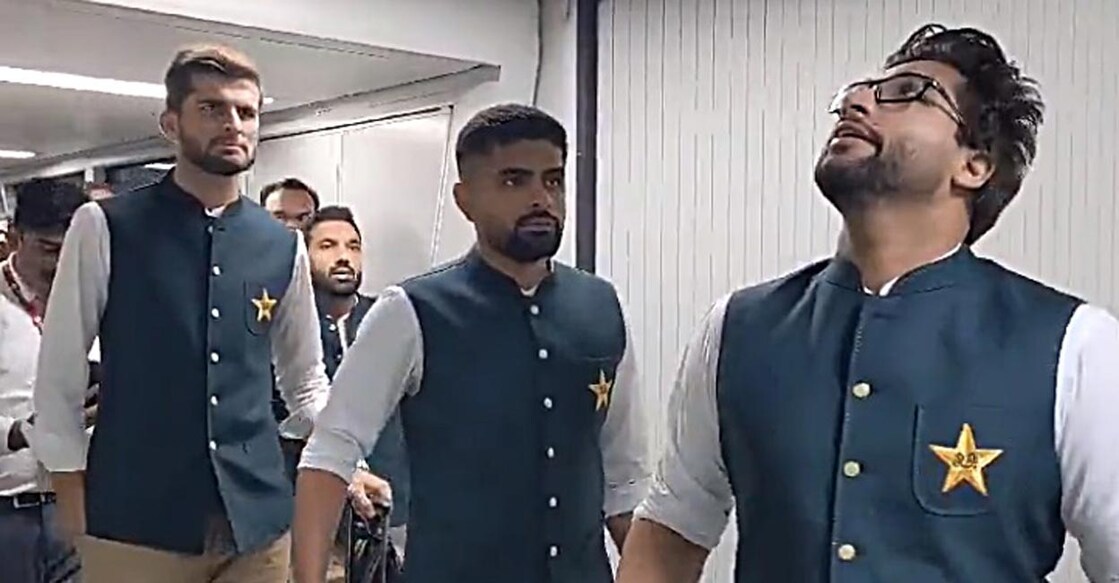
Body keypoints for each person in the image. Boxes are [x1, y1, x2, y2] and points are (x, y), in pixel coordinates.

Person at [616, 24, 1119, 583]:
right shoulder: (738, 328)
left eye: (908, 93)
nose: (855, 102)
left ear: (974, 165)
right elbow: (669, 535)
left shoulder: (1076, 346)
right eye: (858, 91)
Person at [292, 104, 651, 583]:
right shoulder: (411, 312)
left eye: (553, 180)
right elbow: (328, 456)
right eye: (513, 181)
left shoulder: (601, 306)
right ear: (465, 200)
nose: (540, 197)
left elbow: (624, 478)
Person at [31, 44, 333, 583]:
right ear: (171, 123)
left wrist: (346, 460)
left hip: (257, 520)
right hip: (135, 519)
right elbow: (59, 377)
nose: (233, 124)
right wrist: (70, 492)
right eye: (212, 108)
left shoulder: (282, 245)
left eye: (246, 111)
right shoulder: (106, 226)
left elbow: (305, 379)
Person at [304, 205, 409, 580]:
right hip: (314, 515)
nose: (343, 256)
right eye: (328, 246)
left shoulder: (389, 321)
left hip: (392, 512)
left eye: (353, 246)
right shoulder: (289, 329)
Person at [0, 179, 88, 583]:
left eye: (72, 249)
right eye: (49, 249)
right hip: (8, 513)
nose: (61, 263)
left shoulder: (96, 301)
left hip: (78, 505)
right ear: (15, 237)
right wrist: (20, 432)